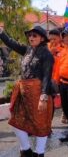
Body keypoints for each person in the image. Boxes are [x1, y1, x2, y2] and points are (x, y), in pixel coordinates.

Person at [0, 26, 54, 157]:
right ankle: (26, 150)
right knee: (16, 121)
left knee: (41, 124)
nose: (31, 38)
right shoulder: (27, 50)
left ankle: (40, 153)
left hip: (39, 93)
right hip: (24, 93)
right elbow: (11, 43)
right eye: (30, 35)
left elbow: (47, 76)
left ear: (42, 38)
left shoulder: (47, 54)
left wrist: (43, 97)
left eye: (35, 35)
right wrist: (1, 33)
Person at [48, 29, 67, 123]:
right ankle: (48, 122)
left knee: (64, 99)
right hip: (50, 78)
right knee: (50, 100)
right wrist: (50, 53)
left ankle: (65, 114)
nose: (52, 41)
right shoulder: (47, 47)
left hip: (62, 77)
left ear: (60, 37)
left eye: (54, 39)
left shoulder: (65, 47)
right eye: (50, 39)